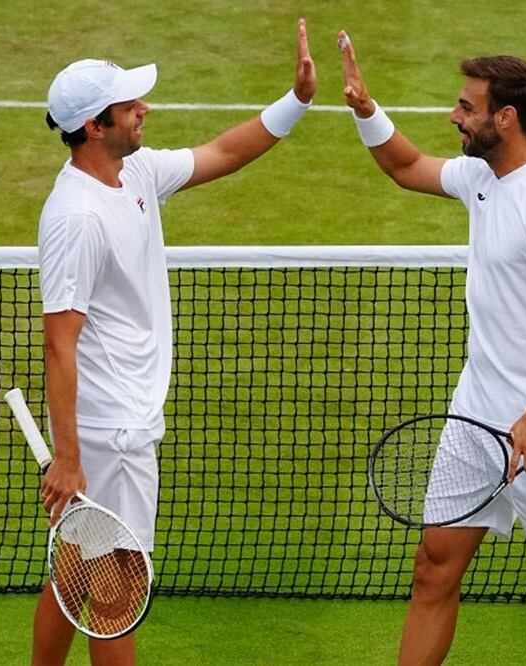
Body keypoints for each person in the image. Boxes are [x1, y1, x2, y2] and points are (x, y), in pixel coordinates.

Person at [338, 32, 526, 666]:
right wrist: (365, 107)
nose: (454, 116)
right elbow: (405, 167)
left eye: (465, 107)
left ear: (505, 118)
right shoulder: (482, 176)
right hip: (475, 413)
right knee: (433, 567)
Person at [34, 19, 317, 666]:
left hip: (119, 424)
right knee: (117, 592)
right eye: (130, 105)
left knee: (76, 564)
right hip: (113, 432)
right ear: (95, 127)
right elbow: (59, 345)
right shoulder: (76, 217)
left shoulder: (132, 174)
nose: (145, 108)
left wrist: (296, 100)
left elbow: (224, 152)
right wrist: (71, 457)